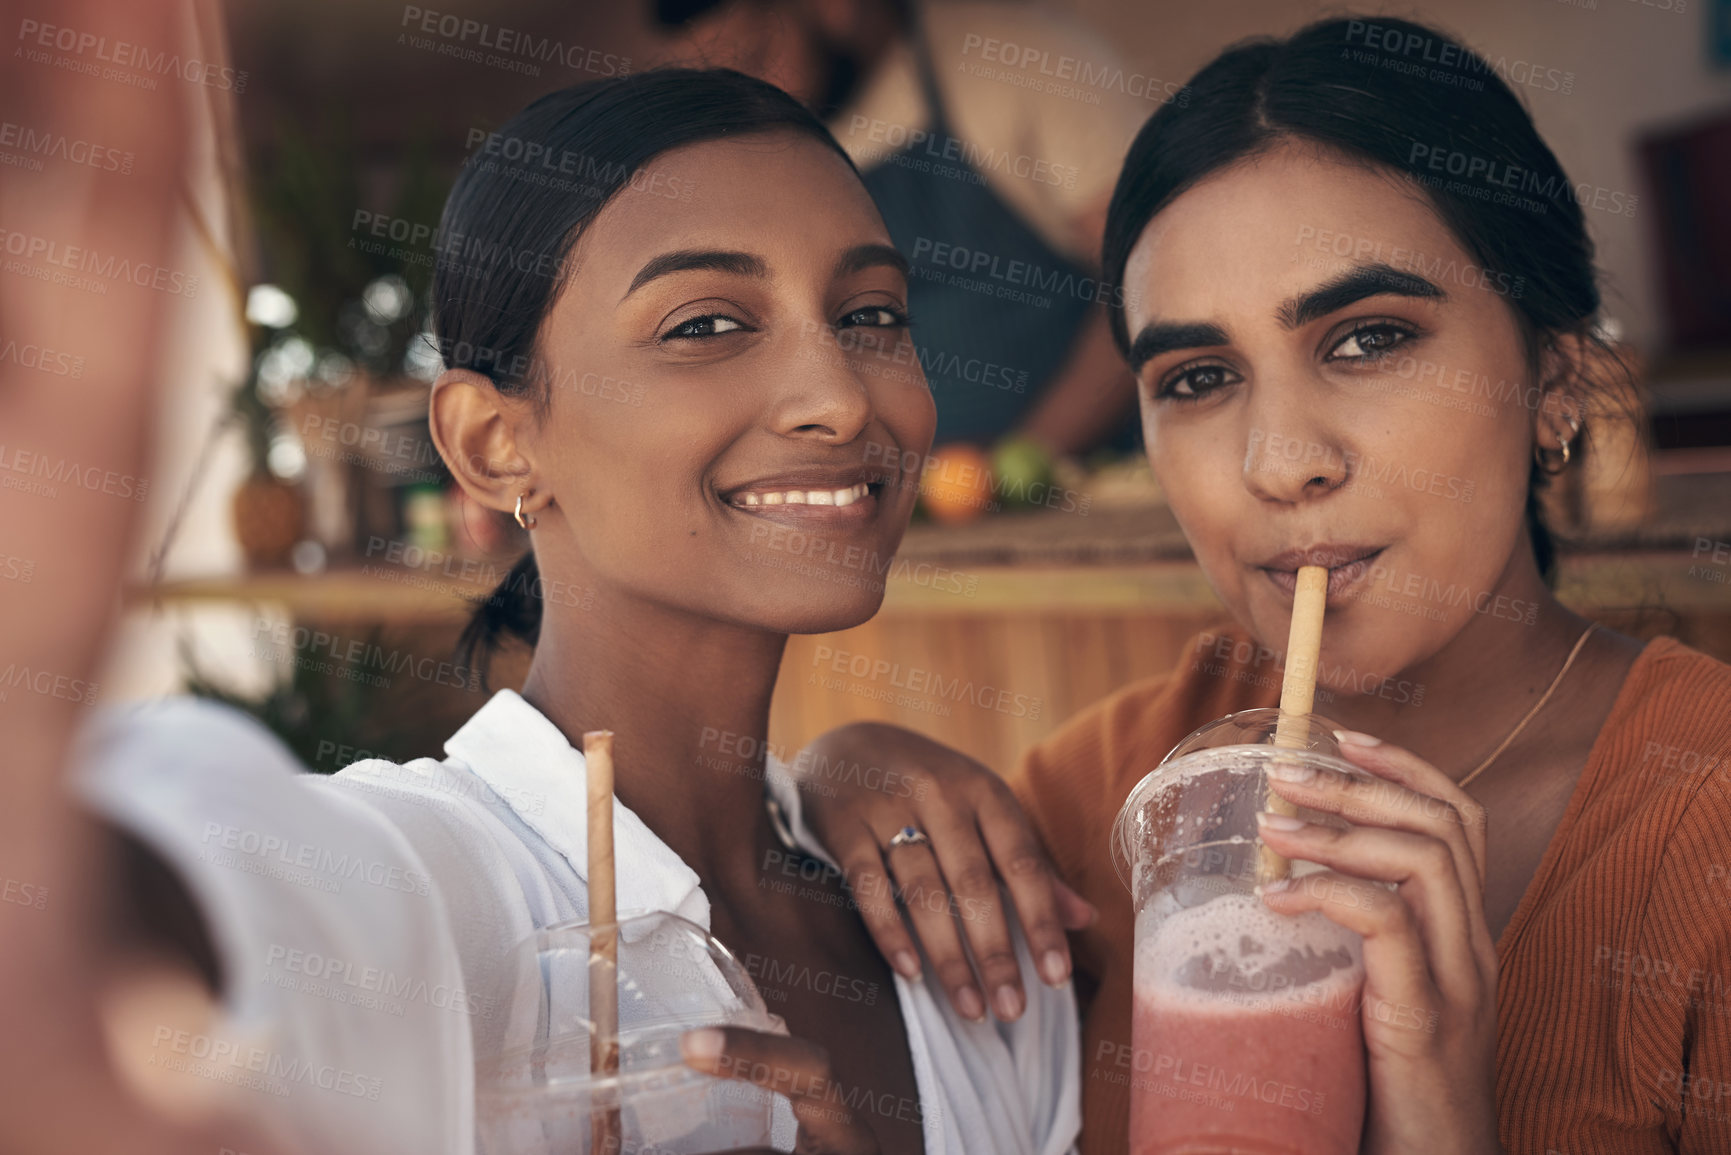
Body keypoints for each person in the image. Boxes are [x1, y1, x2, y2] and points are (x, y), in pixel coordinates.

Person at [778, 16, 1731, 1155]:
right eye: (1199, 376)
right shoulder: (1110, 797)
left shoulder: (1701, 831)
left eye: (1369, 339)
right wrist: (827, 787)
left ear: (1555, 383)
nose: (1280, 463)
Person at [321, 68, 1082, 1155]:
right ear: (496, 443)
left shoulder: (972, 936)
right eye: (708, 323)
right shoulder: (414, 888)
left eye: (870, 314)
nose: (841, 397)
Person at [652, 0, 1145, 455]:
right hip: (894, 505)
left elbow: (1143, 280)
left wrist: (1033, 457)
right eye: (723, 78)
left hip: (1085, 478)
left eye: (758, 55)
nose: (755, 91)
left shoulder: (1013, 60)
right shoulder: (756, 150)